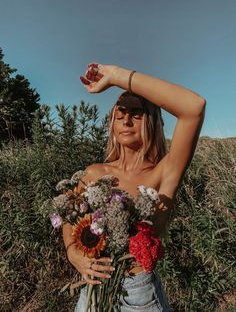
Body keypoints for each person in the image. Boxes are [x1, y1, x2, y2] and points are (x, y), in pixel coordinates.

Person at [63, 63, 206, 311]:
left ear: (152, 122)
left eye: (137, 114)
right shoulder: (94, 173)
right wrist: (72, 252)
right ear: (112, 124)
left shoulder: (164, 173)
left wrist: (117, 77)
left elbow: (193, 108)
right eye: (120, 114)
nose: (126, 120)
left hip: (139, 297)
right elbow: (68, 216)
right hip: (93, 291)